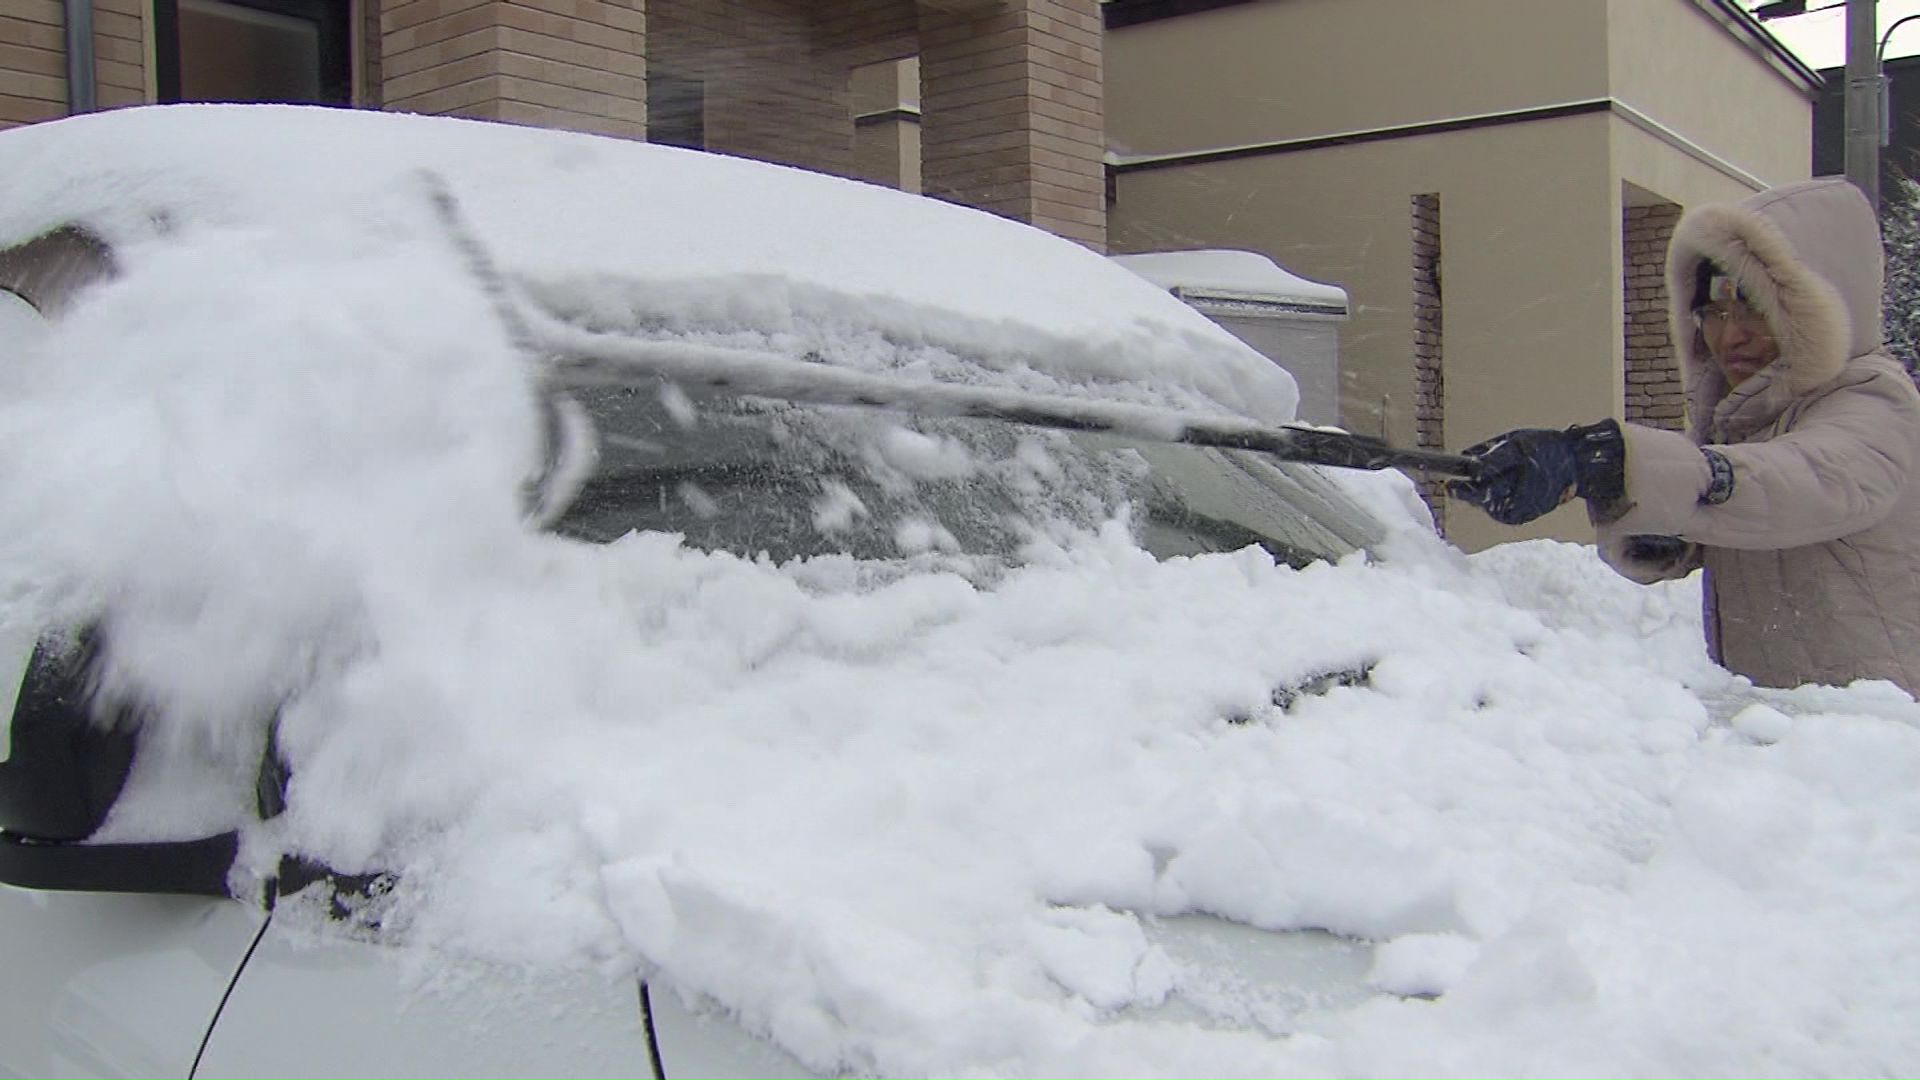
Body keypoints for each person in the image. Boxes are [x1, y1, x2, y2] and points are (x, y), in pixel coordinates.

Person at [1450, 177, 1920, 696]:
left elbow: (1804, 482)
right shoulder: (1750, 422)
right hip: (1784, 727)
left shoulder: (1875, 404)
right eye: (1713, 312)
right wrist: (1646, 519)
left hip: (1882, 734)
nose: (1728, 334)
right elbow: (1731, 508)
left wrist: (1609, 460)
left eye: (1753, 309)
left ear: (1820, 310)